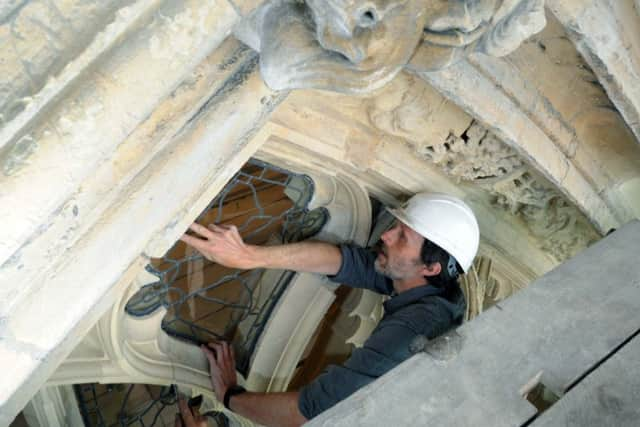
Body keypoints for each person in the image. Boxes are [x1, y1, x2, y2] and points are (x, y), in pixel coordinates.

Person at [176, 192, 480, 427]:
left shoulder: (414, 332)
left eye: (402, 236)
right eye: (396, 227)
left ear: (430, 267)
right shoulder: (439, 290)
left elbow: (313, 411)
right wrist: (248, 256)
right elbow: (349, 263)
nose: (386, 236)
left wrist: (230, 395)